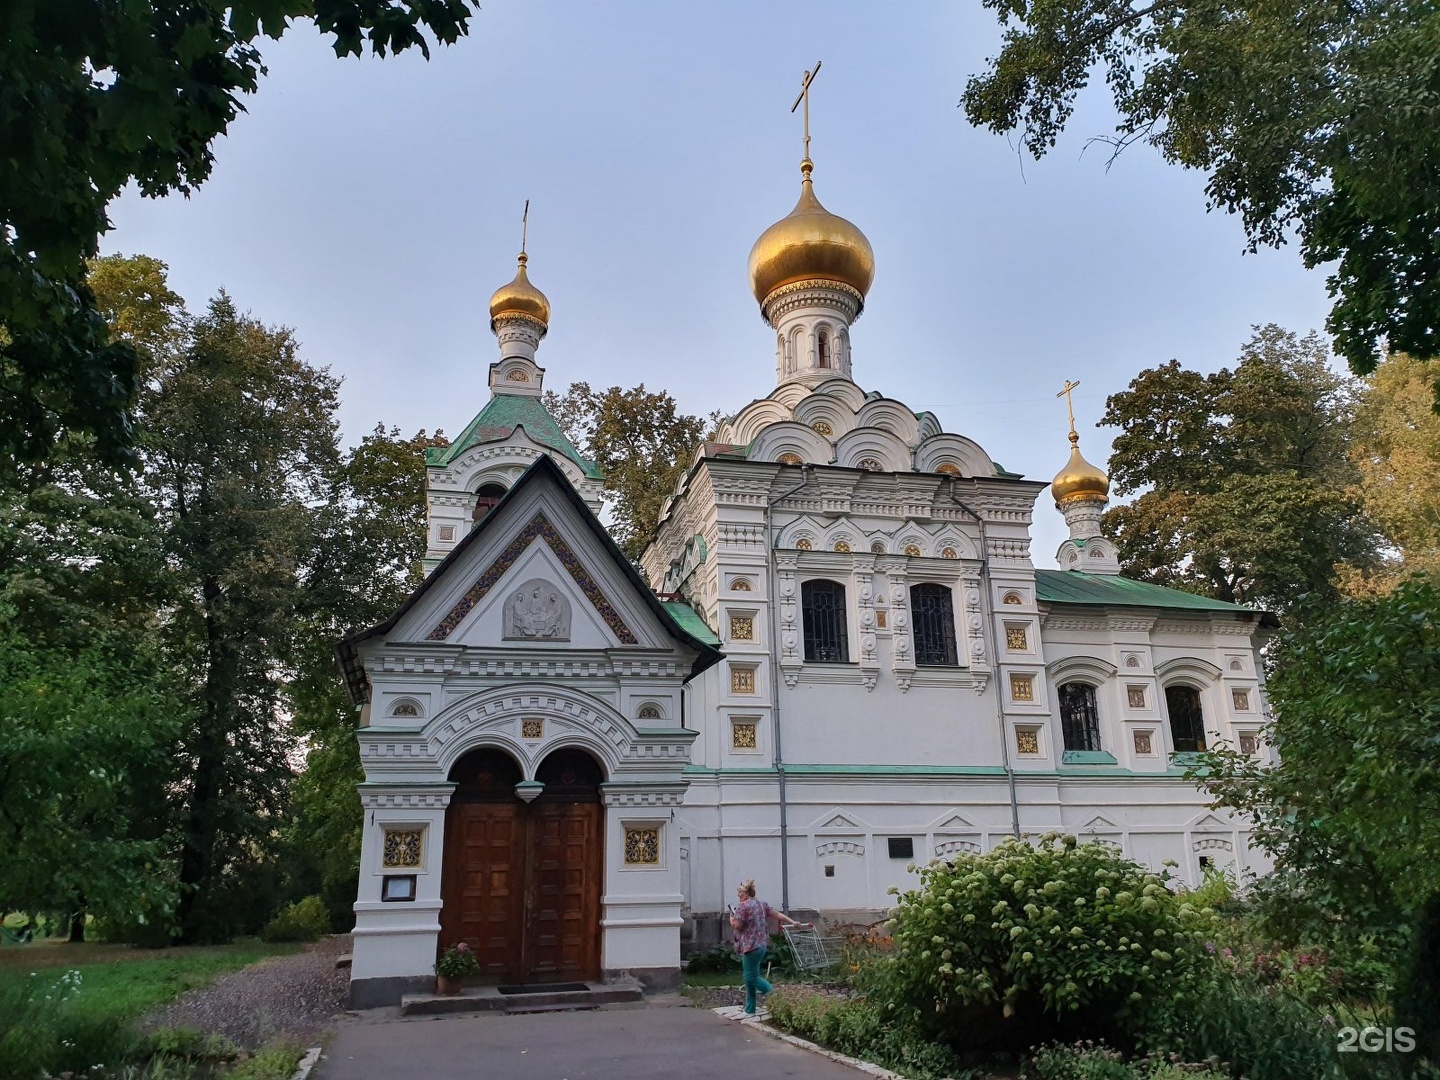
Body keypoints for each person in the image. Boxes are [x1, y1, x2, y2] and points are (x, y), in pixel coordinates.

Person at [729, 878, 807, 1014]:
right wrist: (792, 921)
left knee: (751, 978)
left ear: (746, 893)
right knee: (750, 977)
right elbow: (777, 914)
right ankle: (749, 1009)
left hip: (750, 946)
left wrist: (731, 917)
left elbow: (737, 925)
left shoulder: (743, 907)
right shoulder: (761, 904)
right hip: (761, 945)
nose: (738, 895)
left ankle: (776, 997)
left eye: (740, 892)